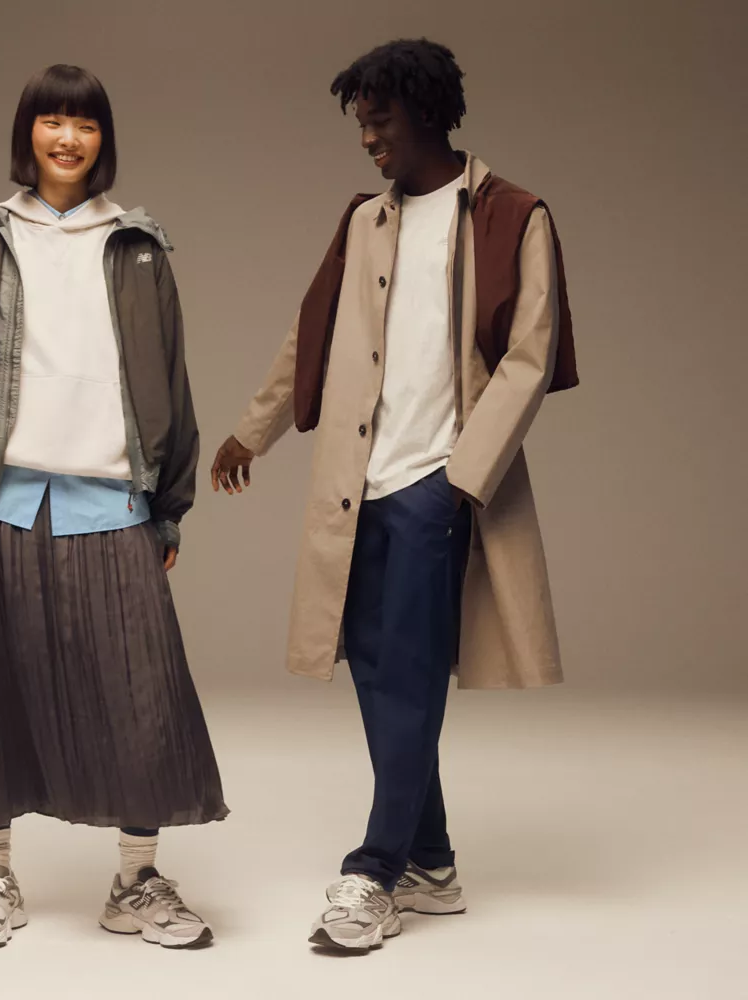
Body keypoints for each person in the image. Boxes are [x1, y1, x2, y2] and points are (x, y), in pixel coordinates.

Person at [211, 38, 578, 952]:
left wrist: (461, 481)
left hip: (434, 485)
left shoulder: (512, 215)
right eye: (361, 125)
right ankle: (434, 864)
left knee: (409, 678)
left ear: (426, 112)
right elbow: (308, 337)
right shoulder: (364, 222)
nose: (368, 139)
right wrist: (251, 430)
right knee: (379, 678)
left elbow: (529, 358)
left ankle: (375, 870)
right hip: (354, 488)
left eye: (379, 121)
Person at [0, 63, 227, 951]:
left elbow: (172, 381)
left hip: (115, 498)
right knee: (5, 687)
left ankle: (136, 881)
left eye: (86, 124)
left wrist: (170, 507)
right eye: (52, 121)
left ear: (105, 139)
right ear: (27, 132)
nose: (69, 138)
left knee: (143, 692)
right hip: (8, 500)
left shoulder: (136, 246)